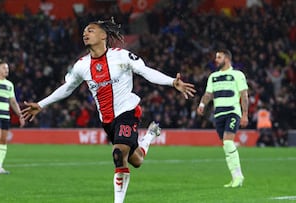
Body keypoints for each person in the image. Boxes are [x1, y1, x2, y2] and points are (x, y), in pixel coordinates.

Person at [22, 18, 196, 203]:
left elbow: (146, 71)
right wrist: (41, 104)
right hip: (107, 120)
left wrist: (172, 81)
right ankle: (150, 136)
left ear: (103, 35)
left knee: (118, 154)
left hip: (128, 112)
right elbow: (67, 87)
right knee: (135, 161)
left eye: (91, 30)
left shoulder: (121, 56)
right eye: (84, 31)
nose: (85, 34)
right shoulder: (81, 65)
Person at [197, 49, 249, 188]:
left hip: (232, 112)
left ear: (227, 59)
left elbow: (244, 95)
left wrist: (245, 114)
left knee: (228, 142)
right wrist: (202, 104)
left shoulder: (237, 75)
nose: (216, 60)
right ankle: (235, 178)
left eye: (219, 57)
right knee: (226, 146)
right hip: (218, 115)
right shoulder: (213, 76)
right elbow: (208, 94)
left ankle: (238, 176)